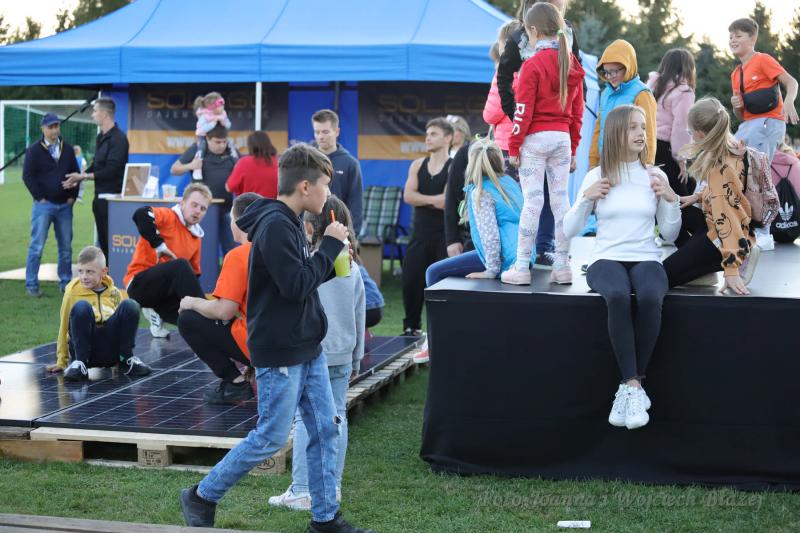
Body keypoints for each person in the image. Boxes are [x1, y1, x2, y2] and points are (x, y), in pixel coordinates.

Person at [179, 144, 373, 533]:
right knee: (270, 436)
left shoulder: (289, 222)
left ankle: (325, 519)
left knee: (325, 429)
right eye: (324, 185)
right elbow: (295, 286)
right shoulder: (276, 226)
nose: (328, 194)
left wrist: (333, 262)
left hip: (307, 346)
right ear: (305, 186)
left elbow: (301, 279)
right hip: (281, 351)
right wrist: (330, 246)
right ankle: (201, 495)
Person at [563, 105, 681, 430]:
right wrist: (585, 199)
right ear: (616, 132)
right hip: (606, 257)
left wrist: (671, 199)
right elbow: (569, 229)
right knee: (616, 295)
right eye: (632, 127)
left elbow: (669, 234)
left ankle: (630, 387)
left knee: (650, 297)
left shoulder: (655, 176)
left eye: (643, 126)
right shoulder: (596, 175)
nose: (641, 133)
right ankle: (633, 385)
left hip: (646, 256)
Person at [269, 196, 365, 512]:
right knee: (337, 417)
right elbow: (359, 313)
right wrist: (357, 357)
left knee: (306, 419)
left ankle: (301, 490)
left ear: (310, 227)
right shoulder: (351, 266)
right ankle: (331, 488)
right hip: (343, 352)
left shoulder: (308, 265)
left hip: (313, 352)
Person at [502, 2, 585, 286]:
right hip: (562, 139)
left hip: (535, 141)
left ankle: (521, 267)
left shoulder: (532, 65)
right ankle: (562, 266)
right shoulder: (571, 64)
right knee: (561, 202)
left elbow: (522, 110)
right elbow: (577, 113)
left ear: (534, 31)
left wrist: (514, 146)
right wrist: (573, 149)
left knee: (533, 202)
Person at [663, 98, 762, 294]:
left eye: (690, 132)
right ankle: (702, 269)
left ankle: (735, 257)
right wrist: (699, 196)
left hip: (724, 238)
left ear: (701, 133)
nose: (691, 136)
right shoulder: (732, 148)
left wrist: (731, 269)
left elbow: (729, 218)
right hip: (717, 226)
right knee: (676, 209)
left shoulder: (720, 169)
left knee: (658, 276)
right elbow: (730, 194)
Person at [177, 192, 263, 405]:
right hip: (290, 342)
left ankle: (235, 382)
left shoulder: (239, 255)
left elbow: (224, 310)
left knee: (188, 319)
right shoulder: (278, 248)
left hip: (260, 344)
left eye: (231, 218)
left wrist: (192, 302)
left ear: (240, 221)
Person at [728, 17, 799, 250]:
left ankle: (764, 232)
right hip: (750, 124)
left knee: (758, 174)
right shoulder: (736, 74)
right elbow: (742, 116)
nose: (733, 40)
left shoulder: (763, 60)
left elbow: (791, 82)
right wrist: (736, 106)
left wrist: (789, 102)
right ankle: (745, 226)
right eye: (731, 36)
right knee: (734, 168)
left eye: (738, 36)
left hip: (769, 122)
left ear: (752, 38)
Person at [426, 138, 530, 286]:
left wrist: (491, 271)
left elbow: (490, 237)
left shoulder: (481, 192)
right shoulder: (510, 182)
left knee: (433, 272)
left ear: (471, 164)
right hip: (524, 254)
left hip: (504, 257)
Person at [48, 246, 151, 380]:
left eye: (90, 272)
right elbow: (63, 327)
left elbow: (123, 325)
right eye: (80, 271)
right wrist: (61, 361)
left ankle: (125, 360)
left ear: (104, 272)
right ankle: (80, 364)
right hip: (86, 350)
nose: (84, 277)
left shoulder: (114, 292)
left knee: (130, 305)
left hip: (110, 350)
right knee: (81, 307)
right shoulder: (71, 293)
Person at [124, 183, 211, 338]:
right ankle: (211, 316)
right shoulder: (168, 216)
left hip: (165, 296)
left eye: (203, 209)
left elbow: (193, 278)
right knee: (180, 265)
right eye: (194, 205)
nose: (198, 211)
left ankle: (157, 313)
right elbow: (140, 214)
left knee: (193, 322)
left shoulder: (196, 237)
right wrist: (159, 246)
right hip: (139, 286)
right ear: (182, 203)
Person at [401, 117, 453, 336]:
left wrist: (422, 198)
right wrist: (434, 200)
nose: (428, 138)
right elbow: (408, 196)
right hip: (419, 236)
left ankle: (441, 332)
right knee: (411, 282)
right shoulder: (417, 165)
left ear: (448, 138)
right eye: (427, 134)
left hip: (444, 237)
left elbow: (447, 202)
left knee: (441, 287)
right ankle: (411, 328)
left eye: (433, 134)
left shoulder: (453, 167)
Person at [63, 97, 129, 259]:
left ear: (104, 114)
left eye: (95, 111)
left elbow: (111, 170)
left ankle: (114, 273)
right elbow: (97, 166)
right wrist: (79, 177)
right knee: (103, 243)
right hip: (99, 199)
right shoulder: (100, 137)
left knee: (112, 245)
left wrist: (83, 176)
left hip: (113, 201)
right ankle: (106, 272)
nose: (92, 115)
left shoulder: (119, 139)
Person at [23, 113, 80, 296]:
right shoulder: (34, 150)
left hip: (65, 206)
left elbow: (76, 174)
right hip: (43, 206)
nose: (54, 130)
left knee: (66, 248)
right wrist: (40, 198)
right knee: (37, 247)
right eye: (51, 127)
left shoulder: (68, 149)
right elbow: (27, 176)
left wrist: (72, 197)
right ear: (43, 129)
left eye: (56, 126)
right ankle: (31, 285)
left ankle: (66, 283)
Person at [171, 124, 238, 255]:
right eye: (217, 142)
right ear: (207, 139)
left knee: (230, 250)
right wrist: (191, 165)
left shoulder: (231, 151)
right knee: (204, 250)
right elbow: (174, 169)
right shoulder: (197, 149)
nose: (222, 145)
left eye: (224, 142)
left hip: (227, 210)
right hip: (203, 212)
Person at [589, 40, 657, 169]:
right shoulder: (606, 93)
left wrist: (647, 164)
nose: (610, 76)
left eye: (615, 71)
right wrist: (593, 161)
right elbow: (599, 128)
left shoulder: (642, 94)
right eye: (606, 72)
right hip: (605, 162)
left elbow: (649, 133)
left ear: (628, 66)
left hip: (630, 165)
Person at [647, 48, 696, 202]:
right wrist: (681, 159)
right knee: (681, 199)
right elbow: (681, 128)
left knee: (656, 195)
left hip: (647, 145)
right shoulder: (684, 92)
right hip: (665, 149)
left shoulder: (652, 86)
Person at [312, 109, 364, 235]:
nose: (320, 136)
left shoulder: (351, 164)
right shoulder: (306, 160)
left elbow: (356, 204)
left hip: (339, 232)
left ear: (337, 132)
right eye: (317, 132)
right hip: (309, 231)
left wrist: (352, 234)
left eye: (325, 132)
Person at [192, 92, 239, 181]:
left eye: (223, 104)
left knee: (231, 146)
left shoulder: (223, 114)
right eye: (220, 105)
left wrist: (224, 123)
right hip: (204, 137)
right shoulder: (205, 116)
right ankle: (197, 169)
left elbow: (229, 125)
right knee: (202, 148)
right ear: (212, 107)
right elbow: (200, 129)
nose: (223, 107)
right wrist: (212, 124)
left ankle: (237, 166)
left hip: (221, 136)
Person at [225, 131, 278, 199]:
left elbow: (229, 187)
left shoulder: (243, 163)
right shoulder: (279, 163)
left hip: (249, 205)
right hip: (273, 205)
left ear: (250, 146)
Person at [360, 263, 384, 329]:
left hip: (366, 310)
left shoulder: (348, 268)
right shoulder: (360, 267)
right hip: (378, 308)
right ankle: (365, 333)